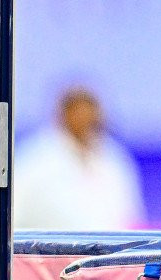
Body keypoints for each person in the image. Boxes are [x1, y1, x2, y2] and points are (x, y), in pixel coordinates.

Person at [12, 87, 145, 230]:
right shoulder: (35, 159)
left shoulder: (114, 159)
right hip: (48, 243)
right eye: (79, 113)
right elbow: (14, 215)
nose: (85, 119)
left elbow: (131, 215)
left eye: (90, 113)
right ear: (64, 115)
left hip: (109, 242)